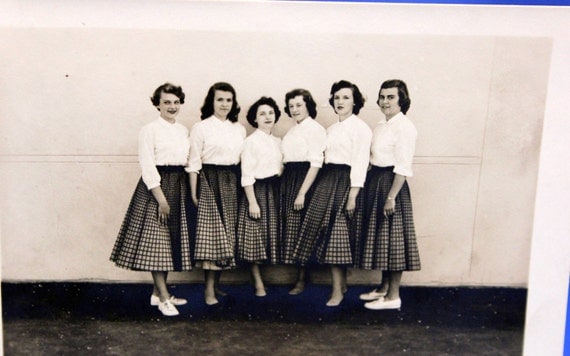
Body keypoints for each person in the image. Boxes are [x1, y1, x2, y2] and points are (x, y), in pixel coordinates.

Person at [110, 83, 193, 317]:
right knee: (158, 241)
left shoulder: (183, 130)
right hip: (156, 188)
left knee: (166, 244)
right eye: (166, 102)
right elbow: (147, 166)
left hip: (179, 185)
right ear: (157, 104)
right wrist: (161, 199)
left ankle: (158, 294)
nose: (172, 106)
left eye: (176, 102)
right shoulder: (149, 130)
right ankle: (165, 297)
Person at [292, 80, 372, 306]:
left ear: (355, 101)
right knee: (329, 236)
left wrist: (353, 195)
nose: (340, 102)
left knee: (339, 236)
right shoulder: (331, 129)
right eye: (337, 97)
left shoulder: (361, 128)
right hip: (328, 180)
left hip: (347, 183)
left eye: (346, 97)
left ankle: (337, 291)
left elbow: (360, 163)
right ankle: (341, 286)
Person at [355, 79, 421, 310]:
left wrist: (391, 196)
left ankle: (393, 297)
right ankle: (383, 288)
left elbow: (403, 166)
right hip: (377, 181)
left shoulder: (405, 127)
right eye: (382, 97)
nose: (385, 101)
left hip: (393, 185)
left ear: (402, 100)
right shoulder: (382, 125)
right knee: (384, 237)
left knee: (393, 240)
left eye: (391, 97)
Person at [188, 82, 246, 305]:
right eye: (220, 99)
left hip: (231, 183)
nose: (224, 104)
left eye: (228, 100)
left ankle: (216, 285)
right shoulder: (201, 128)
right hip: (209, 182)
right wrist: (194, 193)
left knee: (226, 236)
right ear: (211, 102)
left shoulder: (238, 129)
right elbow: (193, 163)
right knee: (212, 238)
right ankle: (208, 290)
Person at [279, 89, 326, 295]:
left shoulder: (315, 129)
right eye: (291, 106)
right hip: (289, 179)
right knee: (293, 229)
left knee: (304, 230)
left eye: (299, 105)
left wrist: (302, 193)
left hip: (305, 180)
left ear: (308, 105)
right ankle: (298, 277)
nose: (295, 109)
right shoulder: (292, 131)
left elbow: (316, 163)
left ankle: (302, 280)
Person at [236, 97, 283, 297]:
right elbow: (247, 174)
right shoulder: (250, 142)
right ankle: (258, 283)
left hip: (273, 190)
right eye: (262, 113)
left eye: (270, 113)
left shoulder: (278, 141)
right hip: (255, 191)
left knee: (267, 235)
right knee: (254, 236)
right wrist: (252, 202)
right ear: (254, 119)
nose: (267, 117)